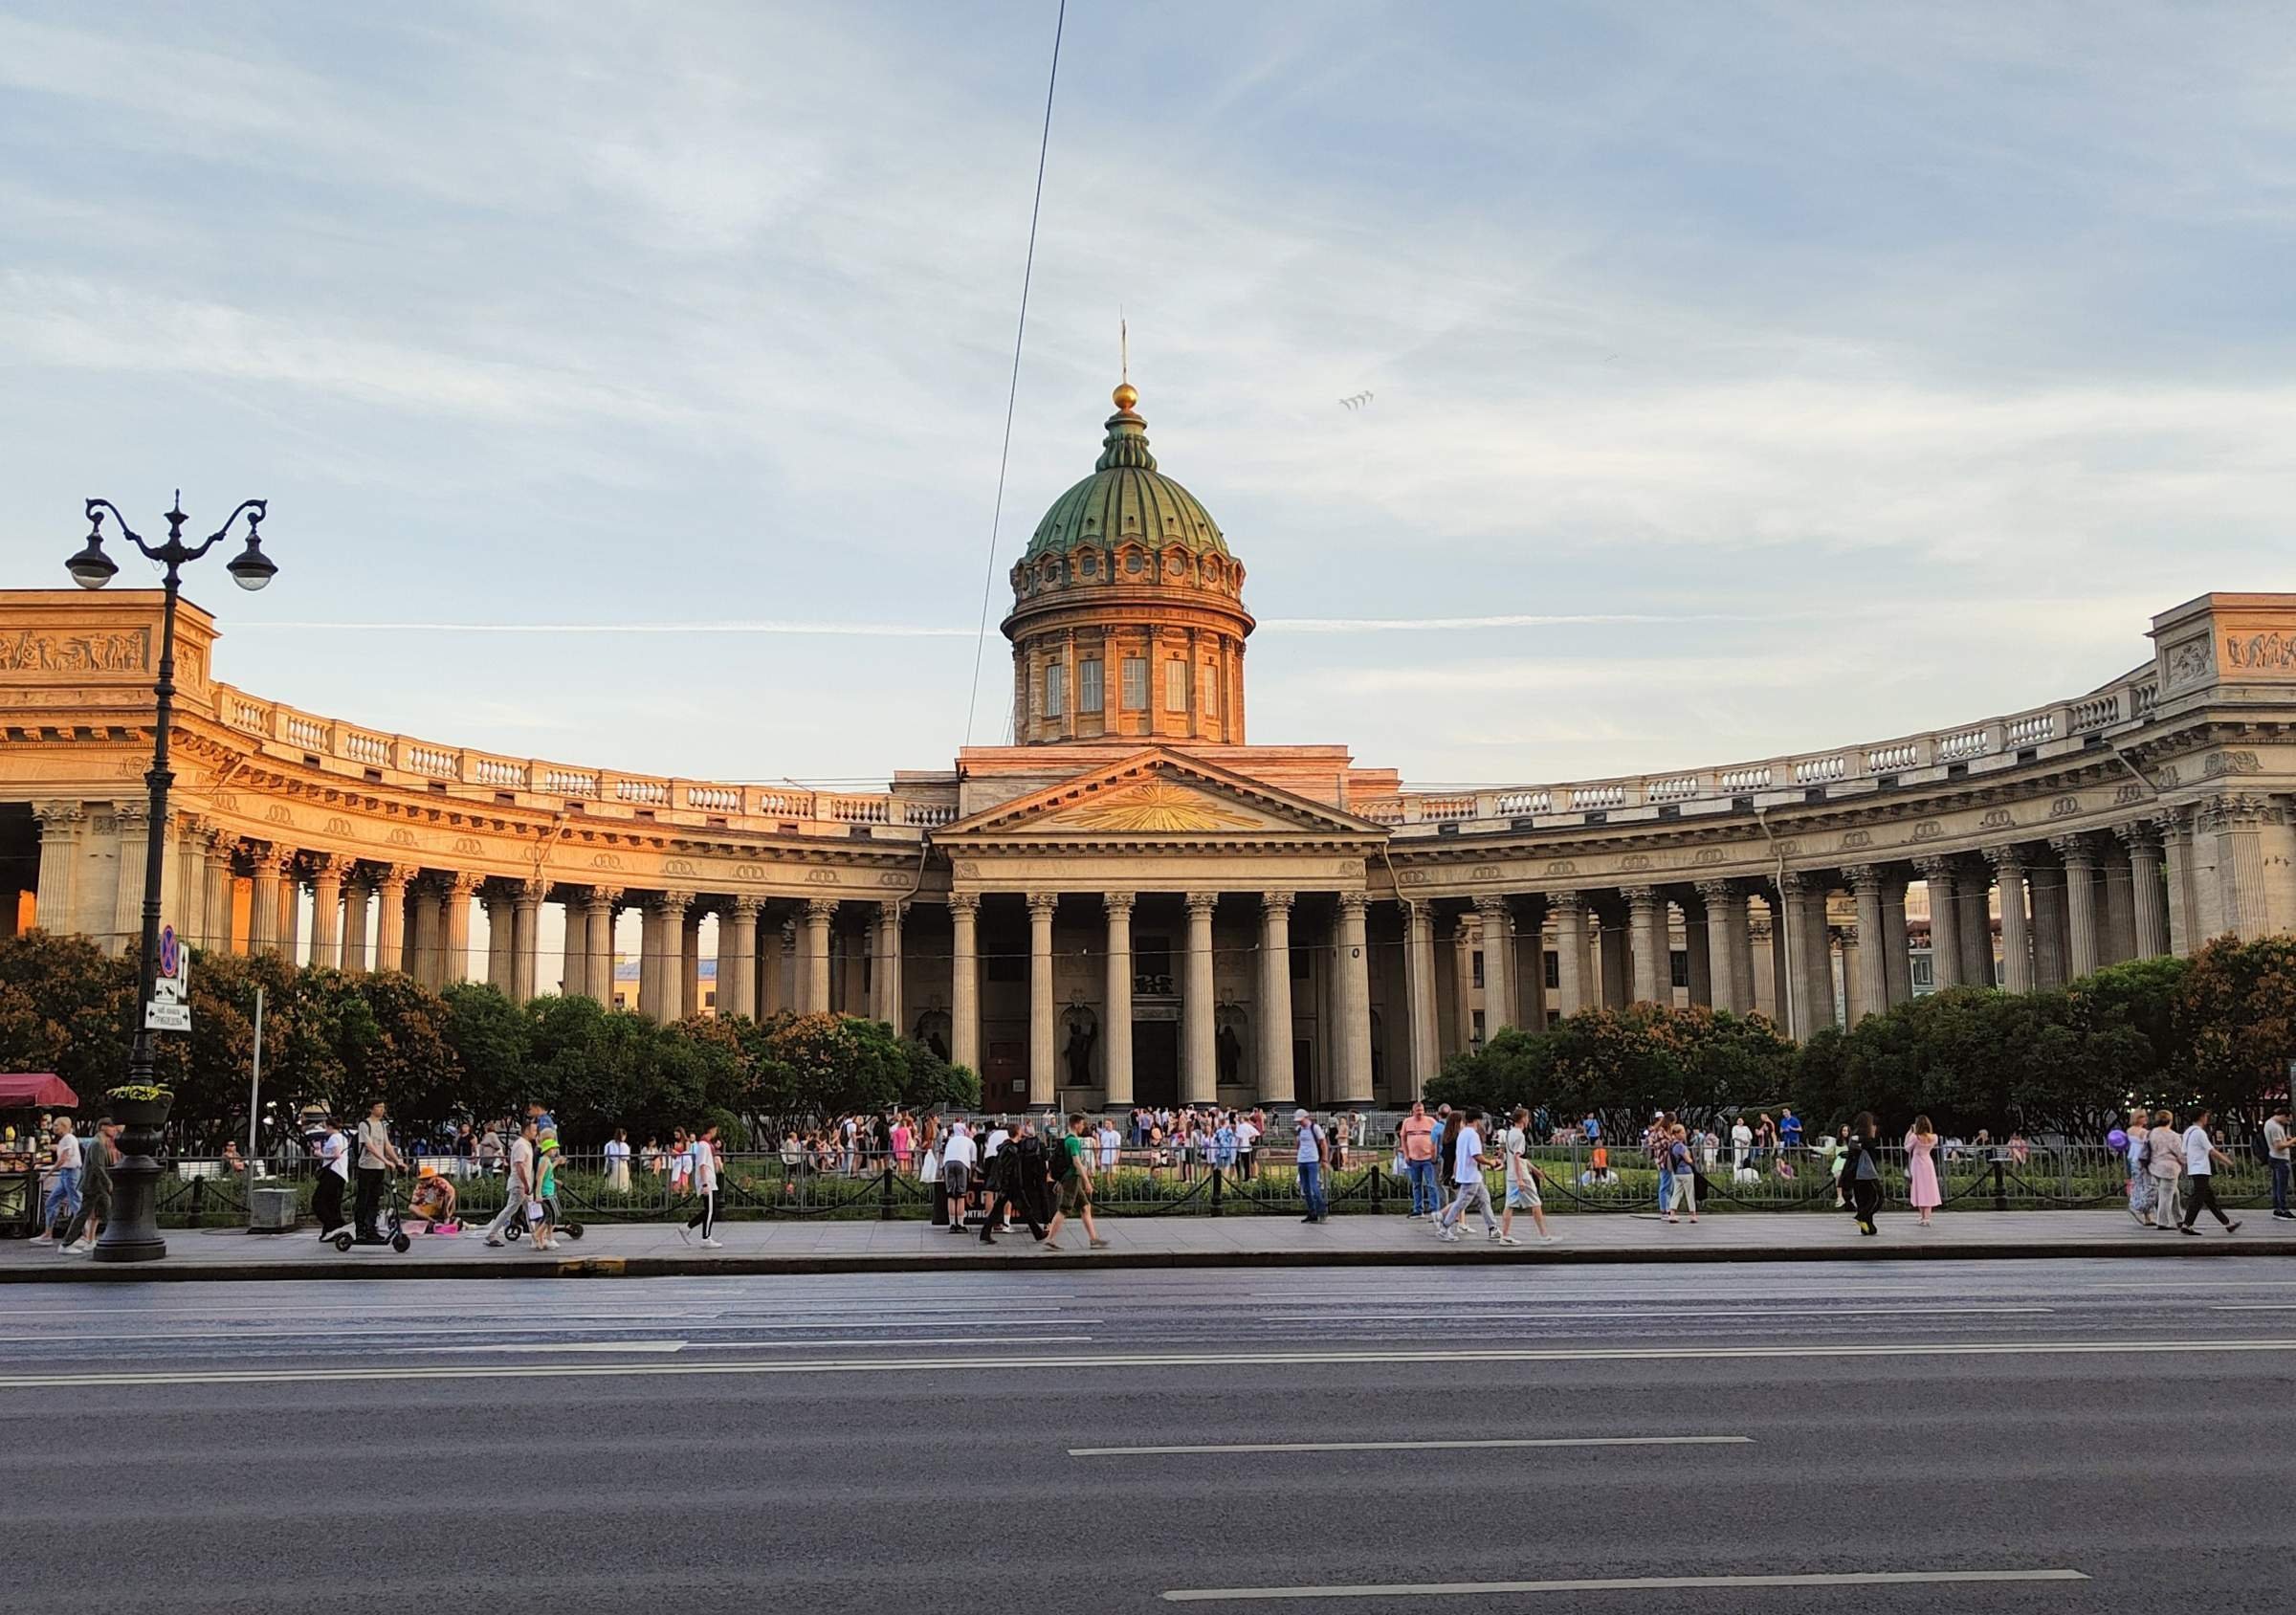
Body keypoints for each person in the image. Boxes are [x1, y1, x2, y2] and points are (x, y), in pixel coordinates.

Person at [1043, 1112, 1110, 1250]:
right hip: (1072, 1179)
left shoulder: (1066, 1139)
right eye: (1082, 1124)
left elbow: (1064, 1163)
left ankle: (1093, 1239)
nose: (1083, 1127)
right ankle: (1050, 1239)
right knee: (1064, 1209)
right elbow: (1076, 1162)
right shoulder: (1073, 1141)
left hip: (1070, 1178)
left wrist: (1060, 1181)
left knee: (1085, 1206)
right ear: (1076, 1124)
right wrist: (1087, 1181)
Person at [1435, 1107, 1498, 1243]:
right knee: (1461, 1203)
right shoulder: (1473, 1135)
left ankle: (1493, 1228)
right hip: (1471, 1176)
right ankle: (1444, 1228)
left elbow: (1460, 1156)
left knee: (1484, 1200)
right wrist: (1491, 1162)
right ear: (1478, 1120)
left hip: (1470, 1175)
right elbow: (1477, 1155)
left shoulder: (1462, 1133)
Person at [981, 1120, 1049, 1245]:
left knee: (998, 1210)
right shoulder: (1011, 1150)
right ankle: (1038, 1233)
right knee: (1025, 1210)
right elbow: (1009, 1170)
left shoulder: (1008, 1147)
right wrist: (1012, 1184)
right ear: (1018, 1132)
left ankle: (985, 1233)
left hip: (1009, 1186)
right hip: (1012, 1186)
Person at [2178, 1110, 2241, 1236]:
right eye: (2206, 1116)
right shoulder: (2200, 1133)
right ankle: (2187, 1224)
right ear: (2201, 1117)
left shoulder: (2188, 1132)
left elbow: (2184, 1150)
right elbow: (2211, 1150)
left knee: (2209, 1198)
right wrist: (2227, 1161)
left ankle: (2227, 1223)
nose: (2207, 1119)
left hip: (2193, 1167)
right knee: (2198, 1198)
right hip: (2201, 1168)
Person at [60, 1117, 117, 1254]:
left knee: (104, 1211)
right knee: (85, 1214)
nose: (114, 1130)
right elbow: (97, 1166)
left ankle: (99, 1240)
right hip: (94, 1185)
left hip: (97, 1186)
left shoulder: (100, 1142)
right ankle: (66, 1243)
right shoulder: (97, 1143)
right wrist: (108, 1183)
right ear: (103, 1127)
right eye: (112, 1127)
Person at [1499, 1106, 1553, 1245]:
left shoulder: (1510, 1133)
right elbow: (1518, 1158)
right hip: (1520, 1175)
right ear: (1523, 1119)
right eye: (1527, 1117)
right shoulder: (1520, 1136)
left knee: (1510, 1204)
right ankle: (1544, 1234)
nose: (1528, 1120)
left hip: (1511, 1174)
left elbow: (1518, 1158)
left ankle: (1504, 1235)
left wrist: (1535, 1170)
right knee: (1535, 1202)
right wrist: (1520, 1179)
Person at [480, 1119, 538, 1247]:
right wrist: (526, 1183)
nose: (536, 1133)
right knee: (510, 1209)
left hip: (525, 1184)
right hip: (520, 1184)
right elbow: (519, 1165)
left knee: (529, 1209)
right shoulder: (521, 1145)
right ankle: (491, 1234)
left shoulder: (526, 1144)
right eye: (534, 1130)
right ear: (527, 1130)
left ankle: (535, 1236)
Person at [355, 1100, 405, 1241]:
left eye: (383, 1107)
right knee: (363, 1199)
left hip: (379, 1168)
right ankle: (360, 1230)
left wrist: (397, 1161)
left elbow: (386, 1145)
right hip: (366, 1167)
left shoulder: (382, 1125)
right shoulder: (364, 1125)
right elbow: (370, 1146)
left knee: (374, 1200)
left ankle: (371, 1228)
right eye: (378, 1107)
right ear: (371, 1109)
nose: (382, 1110)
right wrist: (385, 1160)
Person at [36, 1115, 81, 1245]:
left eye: (56, 1125)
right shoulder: (65, 1140)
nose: (54, 1127)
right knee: (52, 1201)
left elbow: (64, 1158)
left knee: (76, 1203)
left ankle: (84, 1235)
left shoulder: (68, 1139)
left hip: (70, 1173)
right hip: (65, 1173)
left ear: (64, 1126)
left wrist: (49, 1173)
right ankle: (47, 1234)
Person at [1842, 1112, 1883, 1236]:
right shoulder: (1867, 1139)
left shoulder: (1853, 1137)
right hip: (1866, 1173)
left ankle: (1867, 1225)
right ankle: (1862, 1216)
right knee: (1877, 1197)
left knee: (1862, 1199)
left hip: (1855, 1173)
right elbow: (1870, 1150)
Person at [682, 1124, 723, 1248]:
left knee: (711, 1209)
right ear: (712, 1129)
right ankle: (705, 1238)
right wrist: (705, 1184)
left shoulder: (706, 1145)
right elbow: (702, 1165)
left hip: (711, 1181)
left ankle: (688, 1227)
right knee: (710, 1210)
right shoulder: (704, 1145)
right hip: (708, 1182)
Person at [1398, 1100, 1439, 1218]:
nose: (1419, 1113)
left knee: (1431, 1184)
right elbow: (1403, 1139)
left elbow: (1437, 1136)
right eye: (1417, 1111)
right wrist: (1406, 1154)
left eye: (1421, 1110)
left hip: (1428, 1158)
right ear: (1413, 1111)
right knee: (1416, 1184)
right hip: (1413, 1158)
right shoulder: (1407, 1122)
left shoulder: (1431, 1122)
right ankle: (1418, 1208)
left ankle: (1434, 1209)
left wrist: (1434, 1153)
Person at [314, 1114, 350, 1239]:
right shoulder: (343, 1138)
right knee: (332, 1203)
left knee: (318, 1201)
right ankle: (331, 1230)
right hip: (341, 1173)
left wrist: (320, 1154)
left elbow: (336, 1154)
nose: (325, 1130)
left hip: (333, 1172)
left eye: (326, 1127)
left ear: (330, 1127)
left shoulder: (334, 1137)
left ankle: (332, 1225)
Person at [2148, 1107, 2184, 1230]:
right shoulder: (2172, 1135)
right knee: (2166, 1196)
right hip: (2169, 1168)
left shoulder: (2152, 1133)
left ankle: (2179, 1219)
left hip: (2155, 1166)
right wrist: (2185, 1162)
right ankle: (2163, 1222)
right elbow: (2180, 1152)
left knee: (2174, 1193)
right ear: (2170, 1120)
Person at [939, 1120, 977, 1233]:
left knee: (951, 1194)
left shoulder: (950, 1141)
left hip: (948, 1163)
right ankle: (960, 1223)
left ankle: (952, 1224)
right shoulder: (969, 1141)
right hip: (962, 1163)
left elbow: (944, 1155)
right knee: (961, 1195)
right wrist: (972, 1176)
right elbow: (973, 1162)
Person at [1294, 1108, 1331, 1223]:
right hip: (1302, 1160)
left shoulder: (1315, 1128)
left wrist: (1324, 1159)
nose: (1300, 1122)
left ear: (1306, 1117)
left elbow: (1323, 1143)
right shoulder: (1299, 1129)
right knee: (1305, 1188)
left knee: (1314, 1186)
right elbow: (1298, 1144)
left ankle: (1322, 1209)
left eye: (1301, 1120)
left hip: (1312, 1160)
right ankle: (1312, 1211)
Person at [1906, 1116, 1942, 1227]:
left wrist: (1909, 1133)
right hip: (1928, 1163)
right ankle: (1926, 1217)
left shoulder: (1915, 1137)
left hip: (1917, 1164)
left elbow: (1907, 1148)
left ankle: (1923, 1216)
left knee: (1919, 1188)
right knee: (1928, 1189)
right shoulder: (1934, 1137)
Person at [2124, 1108, 2156, 1228]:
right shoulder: (2144, 1132)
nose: (2146, 1119)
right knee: (2148, 1185)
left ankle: (2147, 1214)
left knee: (2138, 1184)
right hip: (2143, 1160)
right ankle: (2142, 1208)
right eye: (2143, 1117)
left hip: (2133, 1159)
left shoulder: (2129, 1130)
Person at [406, 1165, 458, 1234]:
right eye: (424, 1179)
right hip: (426, 1207)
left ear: (433, 1177)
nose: (426, 1181)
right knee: (411, 1207)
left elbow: (451, 1192)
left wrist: (448, 1210)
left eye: (428, 1178)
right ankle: (431, 1220)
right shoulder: (420, 1186)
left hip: (440, 1205)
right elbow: (414, 1201)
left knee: (448, 1195)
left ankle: (446, 1218)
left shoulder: (440, 1182)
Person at [1664, 1124, 1699, 1224]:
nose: (1684, 1134)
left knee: (1676, 1193)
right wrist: (1691, 1160)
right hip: (1686, 1172)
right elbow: (1687, 1159)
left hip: (1677, 1173)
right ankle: (1693, 1214)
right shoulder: (1681, 1146)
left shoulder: (1672, 1146)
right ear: (1677, 1134)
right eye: (1682, 1132)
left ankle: (1672, 1214)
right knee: (1690, 1194)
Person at [2264, 1104, 2293, 1222]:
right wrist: (2293, 1141)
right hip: (2280, 1158)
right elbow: (2278, 1146)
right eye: (2287, 1119)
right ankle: (2283, 1209)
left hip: (2275, 1157)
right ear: (2282, 1116)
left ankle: (2277, 1208)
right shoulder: (2275, 1127)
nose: (2287, 1122)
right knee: (2282, 1185)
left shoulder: (2270, 1123)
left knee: (2277, 1184)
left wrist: (2288, 1140)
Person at [604, 1128, 632, 1194]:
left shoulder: (610, 1144)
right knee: (620, 1184)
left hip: (615, 1166)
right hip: (618, 1166)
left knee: (614, 1184)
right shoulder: (622, 1145)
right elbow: (626, 1157)